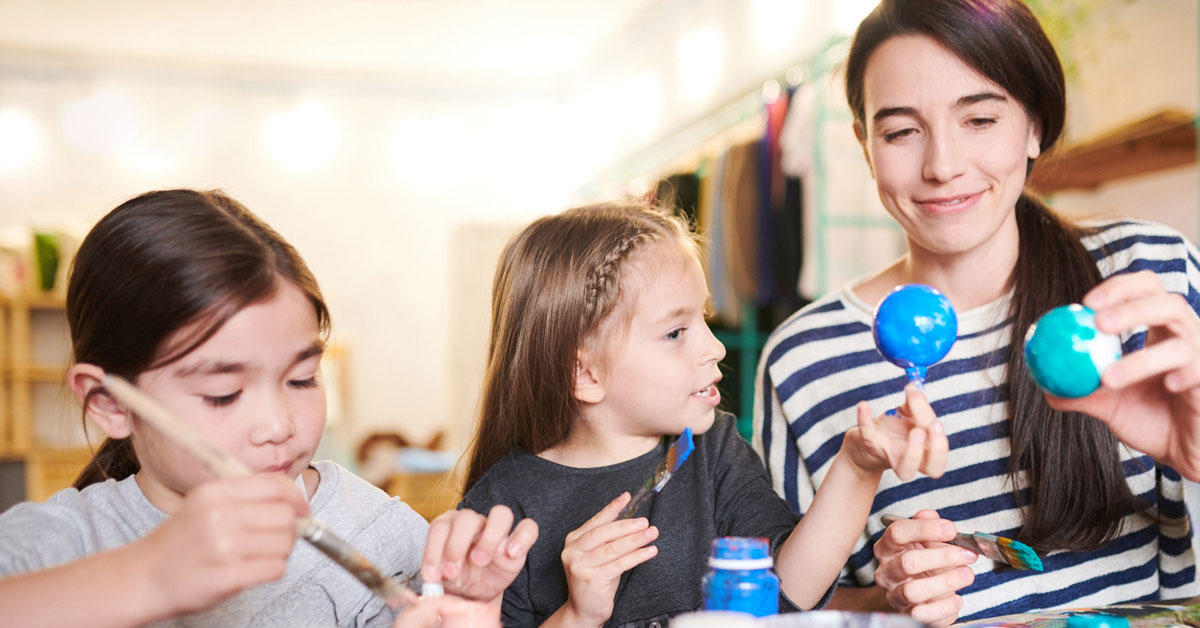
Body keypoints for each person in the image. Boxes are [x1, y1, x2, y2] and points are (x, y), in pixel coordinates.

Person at [753, 0, 1200, 625]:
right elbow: (781, 606)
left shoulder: (1146, 275)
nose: (942, 166)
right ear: (864, 144)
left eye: (980, 119)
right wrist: (896, 594)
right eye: (901, 131)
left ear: (1035, 126)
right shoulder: (803, 357)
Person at [0, 189, 535, 627]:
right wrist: (146, 576)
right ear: (110, 403)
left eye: (302, 379)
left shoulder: (381, 532)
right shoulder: (56, 545)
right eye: (223, 395)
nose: (280, 426)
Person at [460, 200, 949, 627]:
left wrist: (858, 465)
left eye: (705, 321)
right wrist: (578, 615)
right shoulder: (499, 512)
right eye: (676, 333)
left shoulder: (713, 448)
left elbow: (788, 593)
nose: (715, 348)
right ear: (584, 374)